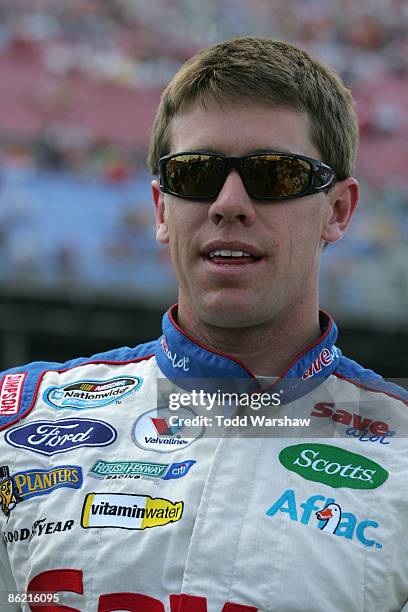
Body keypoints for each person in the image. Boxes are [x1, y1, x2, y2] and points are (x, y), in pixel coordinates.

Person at [0, 36, 407, 612]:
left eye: (274, 174)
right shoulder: (16, 417)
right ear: (163, 209)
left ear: (338, 211)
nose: (229, 203)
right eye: (196, 173)